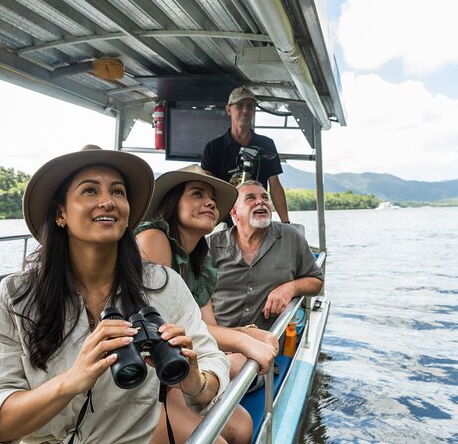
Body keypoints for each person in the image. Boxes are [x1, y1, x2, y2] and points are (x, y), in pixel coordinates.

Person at [0, 145, 229, 444]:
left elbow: (212, 363)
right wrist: (71, 381)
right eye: (90, 191)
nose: (108, 202)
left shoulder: (164, 286)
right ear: (60, 214)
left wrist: (194, 380)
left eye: (118, 192)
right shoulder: (16, 297)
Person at [135, 165, 277, 444]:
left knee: (242, 426)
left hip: (175, 368)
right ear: (173, 204)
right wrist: (244, 340)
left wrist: (247, 333)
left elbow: (204, 328)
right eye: (197, 194)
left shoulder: (199, 260)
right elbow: (160, 332)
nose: (210, 202)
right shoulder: (154, 239)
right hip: (146, 373)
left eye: (211, 198)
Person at [207, 180, 324, 331]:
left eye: (265, 197)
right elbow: (195, 298)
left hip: (268, 342)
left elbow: (317, 281)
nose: (260, 202)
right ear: (234, 212)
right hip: (218, 341)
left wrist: (290, 288)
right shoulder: (210, 245)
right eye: (250, 198)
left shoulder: (290, 237)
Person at [201, 86, 290, 223]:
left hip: (257, 218)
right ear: (228, 109)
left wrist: (286, 222)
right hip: (224, 221)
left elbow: (275, 186)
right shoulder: (213, 148)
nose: (245, 110)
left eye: (250, 106)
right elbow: (207, 187)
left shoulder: (266, 144)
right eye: (240, 105)